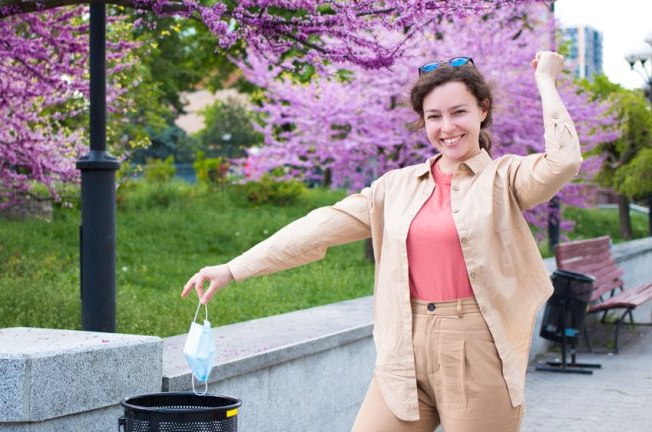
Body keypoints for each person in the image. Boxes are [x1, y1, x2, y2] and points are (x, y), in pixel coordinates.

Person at [182, 51, 581, 432]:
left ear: (483, 110)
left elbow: (563, 162)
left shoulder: (505, 179)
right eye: (434, 117)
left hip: (475, 347)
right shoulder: (396, 187)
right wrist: (234, 268)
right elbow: (319, 227)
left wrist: (545, 80)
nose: (447, 128)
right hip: (402, 348)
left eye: (459, 112)